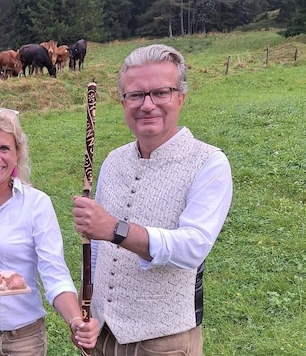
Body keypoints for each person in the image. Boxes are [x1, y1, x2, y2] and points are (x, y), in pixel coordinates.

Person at [72, 44, 233, 355]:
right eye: (135, 95)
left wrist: (117, 229)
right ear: (123, 102)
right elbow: (96, 249)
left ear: (180, 98)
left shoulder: (209, 163)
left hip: (164, 343)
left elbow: (193, 247)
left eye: (161, 92)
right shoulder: (114, 161)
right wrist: (86, 309)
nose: (147, 105)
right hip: (104, 335)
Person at [0, 106, 98, 355]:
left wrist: (75, 321)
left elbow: (54, 274)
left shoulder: (36, 204)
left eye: (5, 149)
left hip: (20, 342)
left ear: (17, 154)